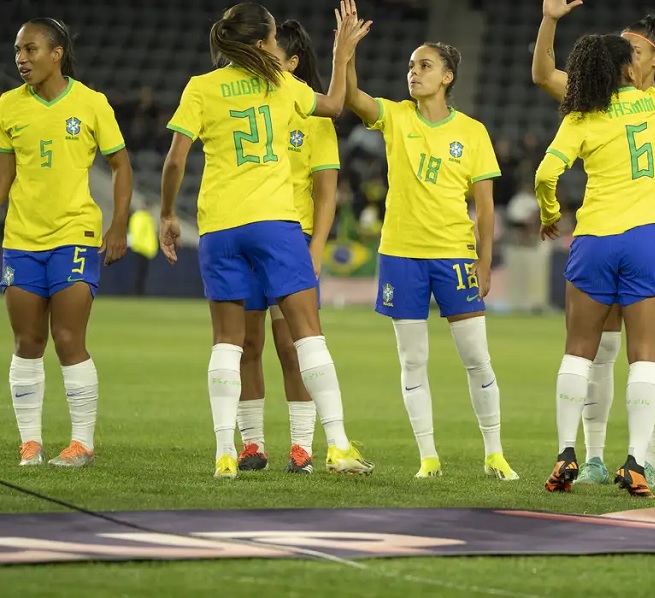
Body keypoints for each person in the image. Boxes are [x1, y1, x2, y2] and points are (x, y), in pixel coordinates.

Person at [159, 2, 373, 479]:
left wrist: (169, 212)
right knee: (307, 335)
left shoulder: (201, 87)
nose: (279, 46)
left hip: (219, 226)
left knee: (227, 343)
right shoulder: (283, 85)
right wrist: (341, 55)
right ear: (261, 44)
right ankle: (336, 444)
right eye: (274, 39)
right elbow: (335, 105)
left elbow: (175, 160)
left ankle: (224, 452)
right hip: (276, 223)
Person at [536, 4, 655, 498]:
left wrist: (549, 212)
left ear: (651, 56)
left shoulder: (584, 110)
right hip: (647, 237)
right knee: (646, 358)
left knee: (579, 352)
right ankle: (637, 462)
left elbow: (544, 174)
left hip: (595, 236)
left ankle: (566, 453)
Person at [340, 0, 517, 480]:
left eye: (425, 66)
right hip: (401, 255)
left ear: (448, 77)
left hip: (454, 256)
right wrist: (346, 51)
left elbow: (484, 207)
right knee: (412, 359)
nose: (413, 73)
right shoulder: (396, 117)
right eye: (411, 66)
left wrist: (484, 262)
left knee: (477, 358)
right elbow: (352, 97)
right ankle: (428, 457)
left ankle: (494, 453)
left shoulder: (472, 133)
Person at [1, 18, 132, 467]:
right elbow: (4, 178)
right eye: (18, 51)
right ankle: (31, 443)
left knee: (68, 336)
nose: (21, 59)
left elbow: (121, 166)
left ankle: (81, 444)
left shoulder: (92, 103)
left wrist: (118, 225)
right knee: (27, 340)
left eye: (30, 49)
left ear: (56, 53)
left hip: (75, 233)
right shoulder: (7, 107)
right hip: (20, 239)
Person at [235, 20, 342, 475]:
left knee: (292, 344)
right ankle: (251, 443)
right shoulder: (249, 105)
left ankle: (302, 447)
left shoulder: (314, 119)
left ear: (293, 62)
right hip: (245, 231)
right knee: (246, 343)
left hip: (292, 240)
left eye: (274, 51)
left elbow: (327, 193)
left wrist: (316, 247)